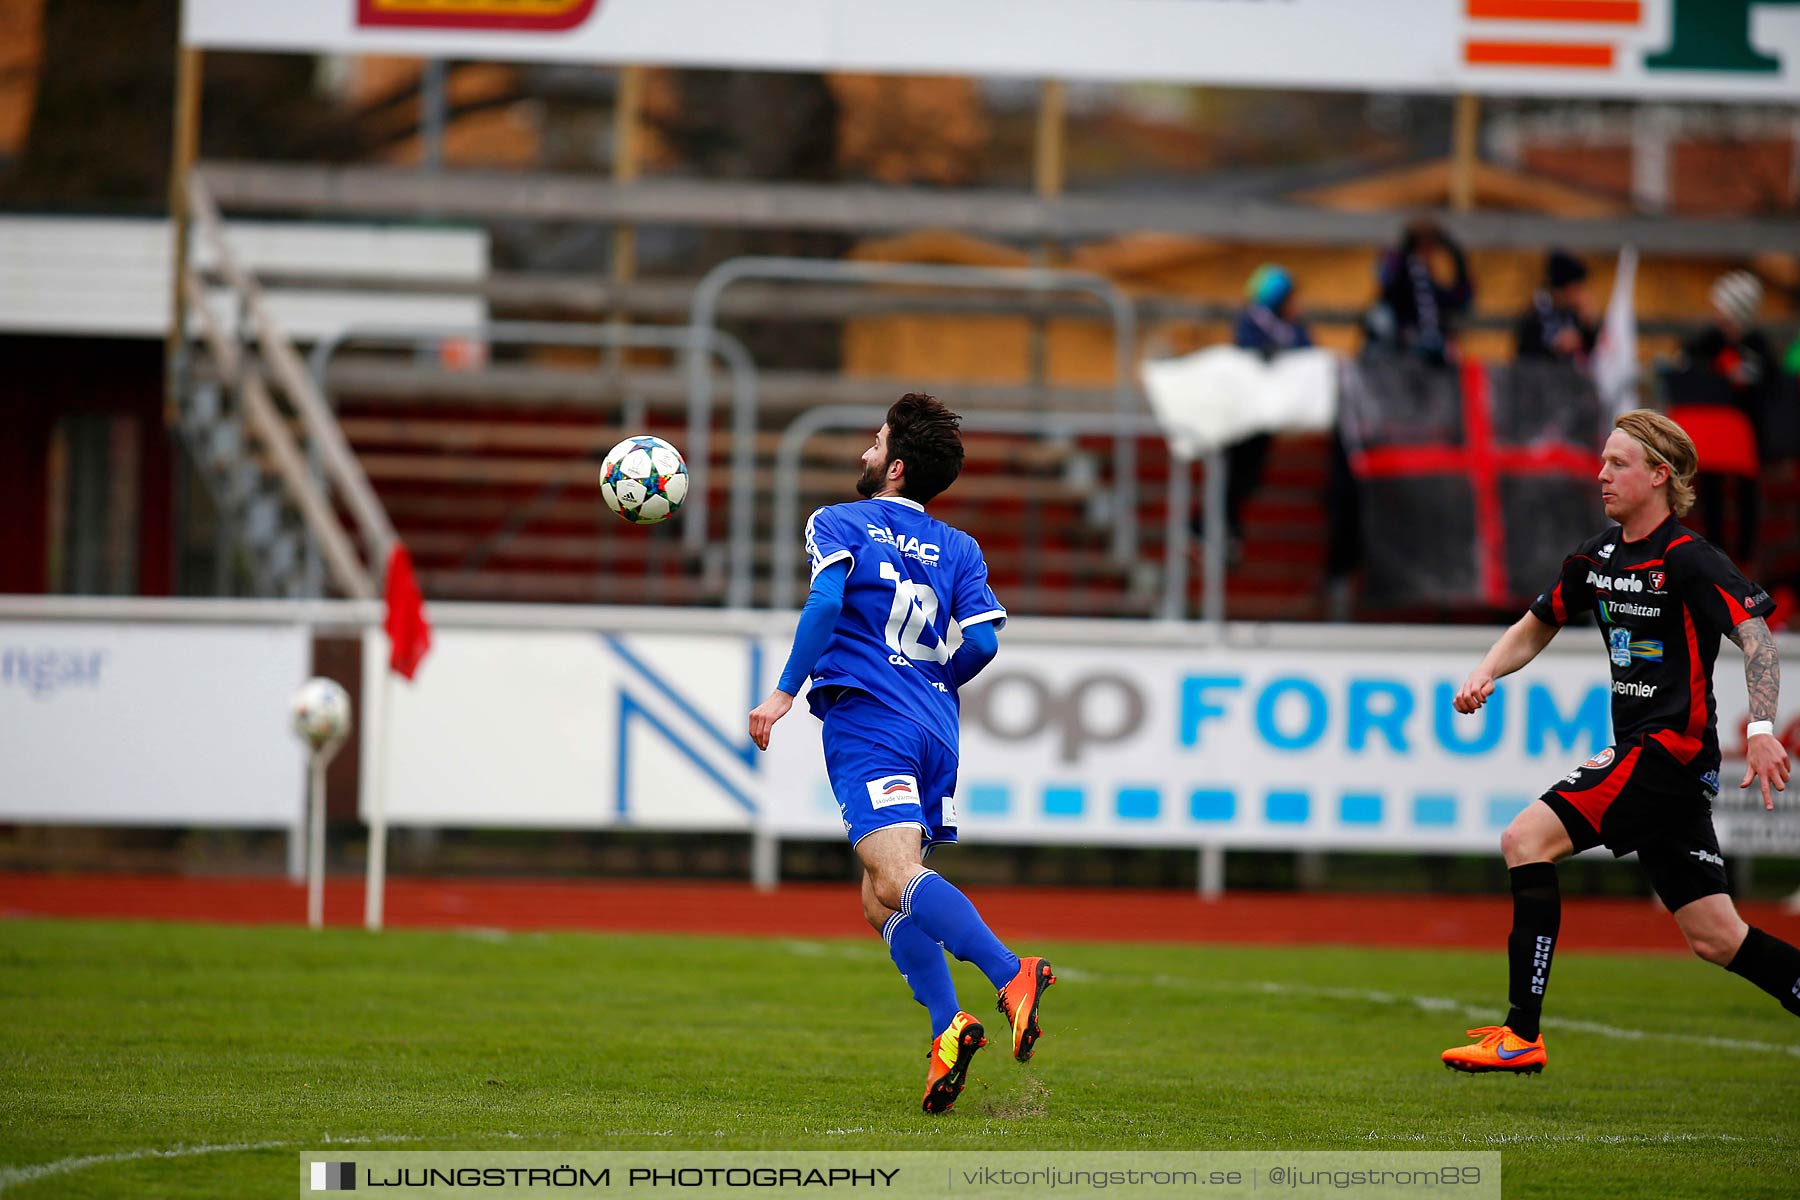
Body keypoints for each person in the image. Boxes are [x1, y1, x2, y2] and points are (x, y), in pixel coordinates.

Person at [1440, 409, 1799, 1075]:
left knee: (1525, 840)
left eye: (1618, 464)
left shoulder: (1689, 559)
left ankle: (1521, 1035)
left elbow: (1756, 638)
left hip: (1665, 752)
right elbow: (1539, 619)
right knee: (1718, 939)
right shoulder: (1599, 555)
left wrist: (1758, 728)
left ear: (1661, 475)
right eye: (1602, 461)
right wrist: (1486, 671)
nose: (1600, 474)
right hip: (1664, 769)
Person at [747, 392, 1055, 1114]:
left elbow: (825, 605)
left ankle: (1012, 972)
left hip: (869, 721)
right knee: (878, 894)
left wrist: (785, 692)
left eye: (875, 442)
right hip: (934, 726)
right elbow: (981, 642)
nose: (864, 452)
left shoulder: (839, 521)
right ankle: (949, 1026)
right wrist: (931, 679)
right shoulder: (960, 548)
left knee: (894, 870)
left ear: (896, 467)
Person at [1668, 270, 1783, 564]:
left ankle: (1744, 560)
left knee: (1747, 499)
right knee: (1712, 495)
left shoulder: (1757, 347)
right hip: (1715, 440)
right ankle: (1715, 556)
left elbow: (1768, 391)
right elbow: (1684, 367)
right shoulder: (1708, 342)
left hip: (1747, 441)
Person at [1203, 264, 1315, 562]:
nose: (1296, 306)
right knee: (1236, 475)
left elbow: (1307, 349)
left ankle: (1226, 530)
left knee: (1252, 477)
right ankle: (1220, 529)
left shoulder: (1295, 326)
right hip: (1243, 415)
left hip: (1267, 415)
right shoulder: (1251, 320)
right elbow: (1248, 349)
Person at [1363, 217, 1475, 365]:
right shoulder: (1407, 271)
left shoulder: (1419, 280)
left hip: (1420, 347)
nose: (1431, 253)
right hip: (1407, 347)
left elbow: (1462, 296)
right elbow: (1463, 295)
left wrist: (1453, 251)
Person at [1514, 248, 1598, 368]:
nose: (1581, 294)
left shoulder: (1575, 314)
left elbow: (1592, 354)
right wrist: (1556, 346)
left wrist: (1589, 326)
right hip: (1542, 382)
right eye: (1577, 288)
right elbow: (1525, 357)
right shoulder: (1536, 312)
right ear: (1566, 289)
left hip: (1571, 382)